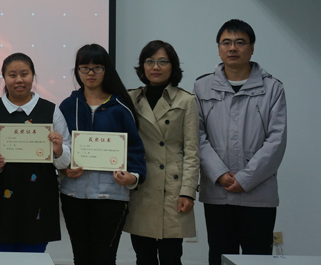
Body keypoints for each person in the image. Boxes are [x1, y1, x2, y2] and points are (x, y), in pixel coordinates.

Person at [194, 19, 287, 265]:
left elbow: (276, 141)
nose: (233, 48)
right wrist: (219, 173)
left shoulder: (272, 88)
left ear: (252, 48)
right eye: (226, 42)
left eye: (240, 42)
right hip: (218, 191)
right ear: (218, 48)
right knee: (220, 255)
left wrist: (246, 179)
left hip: (259, 193)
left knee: (258, 257)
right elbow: (196, 136)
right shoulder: (202, 87)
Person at [59, 44, 146, 265]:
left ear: (106, 70)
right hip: (73, 195)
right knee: (81, 257)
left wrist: (133, 177)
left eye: (97, 67)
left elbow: (135, 149)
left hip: (111, 196)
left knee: (104, 257)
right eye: (84, 68)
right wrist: (64, 168)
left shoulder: (120, 107)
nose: (90, 73)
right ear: (77, 71)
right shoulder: (67, 106)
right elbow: (60, 148)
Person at [0, 52, 71, 253]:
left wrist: (58, 151)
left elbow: (65, 161)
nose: (19, 80)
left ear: (33, 76)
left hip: (38, 198)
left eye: (24, 74)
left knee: (33, 259)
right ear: (4, 78)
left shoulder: (50, 110)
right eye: (12, 75)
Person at [124, 40, 199, 265]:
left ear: (172, 66)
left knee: (171, 257)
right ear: (142, 66)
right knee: (143, 256)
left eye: (162, 62)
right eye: (150, 61)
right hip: (141, 185)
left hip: (173, 188)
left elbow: (192, 151)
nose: (155, 67)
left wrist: (188, 191)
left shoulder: (186, 100)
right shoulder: (131, 98)